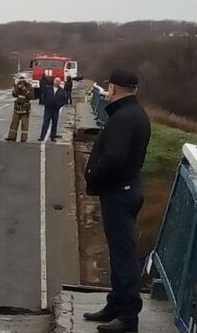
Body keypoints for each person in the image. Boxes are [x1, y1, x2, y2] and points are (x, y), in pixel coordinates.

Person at [83, 69, 151, 333]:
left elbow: (115, 158)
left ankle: (128, 317)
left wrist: (92, 175)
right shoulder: (135, 113)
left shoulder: (122, 118)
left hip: (119, 193)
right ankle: (115, 304)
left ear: (111, 89)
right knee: (119, 253)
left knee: (124, 257)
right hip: (127, 190)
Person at [37, 77, 67, 142]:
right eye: (56, 81)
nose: (57, 83)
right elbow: (43, 96)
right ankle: (42, 137)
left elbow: (64, 100)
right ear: (54, 81)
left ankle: (53, 137)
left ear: (60, 82)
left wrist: (59, 105)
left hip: (56, 110)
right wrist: (45, 103)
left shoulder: (62, 91)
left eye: (58, 81)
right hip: (48, 109)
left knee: (54, 123)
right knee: (45, 123)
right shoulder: (48, 88)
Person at [6, 76, 34, 142]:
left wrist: (24, 89)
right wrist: (17, 88)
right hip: (17, 109)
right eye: (20, 82)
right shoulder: (17, 86)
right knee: (14, 123)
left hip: (25, 109)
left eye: (23, 82)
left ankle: (23, 139)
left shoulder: (29, 87)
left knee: (24, 124)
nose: (21, 83)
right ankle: (11, 137)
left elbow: (31, 96)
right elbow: (14, 94)